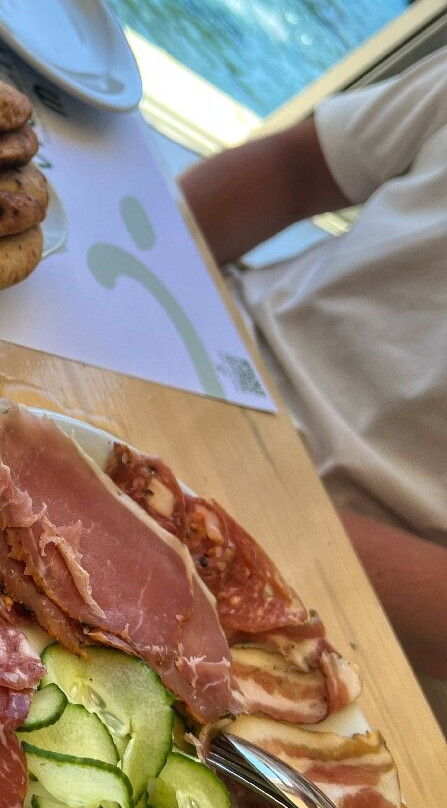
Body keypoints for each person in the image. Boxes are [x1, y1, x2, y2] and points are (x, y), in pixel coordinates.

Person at [177, 46, 447, 688]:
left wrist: (240, 506)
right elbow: (295, 170)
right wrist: (146, 275)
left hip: (343, 588)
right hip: (212, 345)